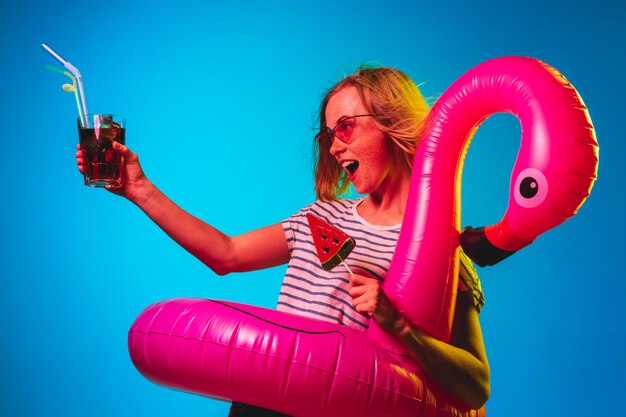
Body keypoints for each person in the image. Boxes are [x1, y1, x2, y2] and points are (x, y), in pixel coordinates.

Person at [75, 66, 490, 416]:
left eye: (345, 127)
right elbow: (228, 255)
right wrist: (139, 189)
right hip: (263, 405)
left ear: (392, 120)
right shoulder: (321, 215)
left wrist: (400, 326)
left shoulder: (437, 252)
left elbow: (475, 386)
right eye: (327, 136)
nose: (334, 146)